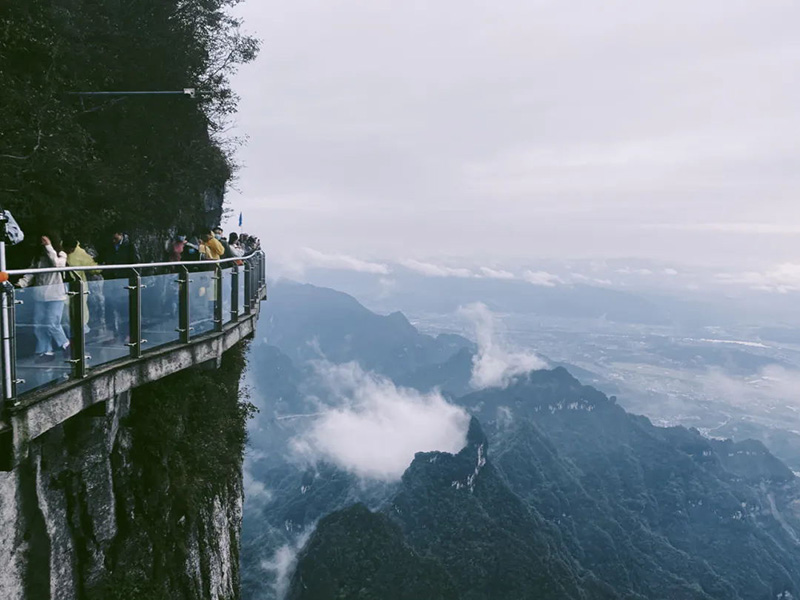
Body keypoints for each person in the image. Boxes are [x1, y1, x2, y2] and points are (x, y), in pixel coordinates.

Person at [15, 234, 70, 362]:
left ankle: (66, 345)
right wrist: (22, 283)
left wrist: (49, 247)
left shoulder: (60, 254)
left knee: (52, 323)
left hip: (56, 295)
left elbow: (58, 265)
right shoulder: (38, 258)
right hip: (40, 296)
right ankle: (45, 351)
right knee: (39, 324)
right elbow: (32, 271)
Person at [98, 229, 140, 342]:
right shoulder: (108, 246)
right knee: (109, 308)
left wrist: (132, 280)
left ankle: (128, 334)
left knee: (124, 310)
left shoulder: (129, 246)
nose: (113, 240)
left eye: (115, 237)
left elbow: (136, 263)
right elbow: (101, 260)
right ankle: (111, 333)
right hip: (110, 281)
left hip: (123, 282)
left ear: (120, 234)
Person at [63, 237, 100, 335]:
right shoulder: (59, 251)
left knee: (80, 310)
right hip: (64, 286)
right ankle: (70, 334)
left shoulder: (80, 253)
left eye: (73, 249)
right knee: (66, 311)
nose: (71, 251)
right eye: (69, 249)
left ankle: (82, 332)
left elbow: (92, 267)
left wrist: (100, 268)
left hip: (78, 286)